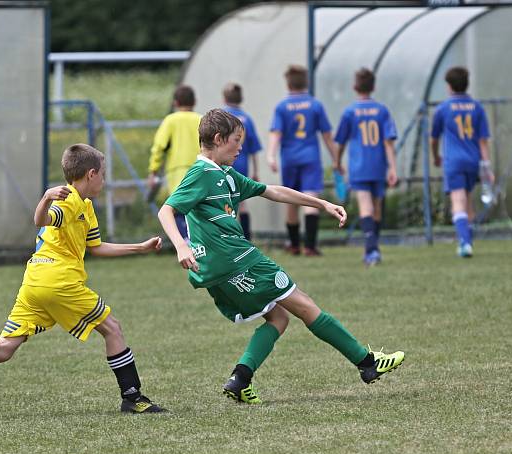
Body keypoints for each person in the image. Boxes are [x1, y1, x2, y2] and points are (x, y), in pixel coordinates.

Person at [158, 109, 404, 404]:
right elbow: (167, 210)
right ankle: (367, 363)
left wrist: (321, 203)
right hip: (237, 258)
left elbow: (271, 191)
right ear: (218, 139)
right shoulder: (201, 174)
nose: (240, 148)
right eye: (236, 141)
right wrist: (181, 245)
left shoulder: (224, 174)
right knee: (304, 304)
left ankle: (240, 379)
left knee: (278, 317)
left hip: (214, 268)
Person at [0, 144, 166, 413]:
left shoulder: (85, 206)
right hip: (58, 282)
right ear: (91, 174)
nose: (105, 181)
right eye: (103, 175)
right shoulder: (68, 199)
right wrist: (46, 198)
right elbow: (41, 219)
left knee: (1, 352)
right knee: (112, 329)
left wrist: (139, 247)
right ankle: (133, 398)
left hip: (34, 282)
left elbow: (95, 247)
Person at [267, 65, 339, 256]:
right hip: (310, 158)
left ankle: (294, 244)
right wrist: (336, 159)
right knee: (312, 198)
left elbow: (276, 133)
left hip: (289, 159)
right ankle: (310, 246)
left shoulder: (282, 107)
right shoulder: (315, 105)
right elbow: (327, 135)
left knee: (290, 200)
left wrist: (271, 155)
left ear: (288, 83)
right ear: (305, 82)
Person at [333, 67, 398, 266]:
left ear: (355, 87)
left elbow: (341, 141)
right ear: (373, 87)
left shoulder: (350, 112)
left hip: (359, 167)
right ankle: (373, 248)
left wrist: (337, 162)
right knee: (376, 209)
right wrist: (393, 168)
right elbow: (388, 142)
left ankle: (371, 250)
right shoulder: (382, 110)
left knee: (365, 207)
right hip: (378, 166)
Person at [430, 66, 495, 258]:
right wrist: (487, 167)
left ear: (449, 86)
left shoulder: (443, 109)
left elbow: (434, 139)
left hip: (454, 162)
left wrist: (435, 156)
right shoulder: (477, 107)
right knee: (468, 203)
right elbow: (483, 141)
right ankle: (467, 240)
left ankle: (465, 243)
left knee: (458, 201)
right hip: (473, 161)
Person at [147, 84, 201, 239]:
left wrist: (153, 171)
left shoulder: (170, 121)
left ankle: (185, 240)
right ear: (195, 101)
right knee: (197, 208)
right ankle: (199, 242)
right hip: (199, 170)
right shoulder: (201, 119)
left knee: (176, 206)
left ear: (175, 103)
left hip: (177, 171)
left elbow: (159, 147)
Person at [222, 82, 262, 240]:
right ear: (241, 99)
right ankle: (246, 238)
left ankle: (227, 237)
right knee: (242, 202)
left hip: (223, 163)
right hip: (242, 164)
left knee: (223, 200)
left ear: (224, 98)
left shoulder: (221, 117)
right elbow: (253, 148)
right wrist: (256, 171)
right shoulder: (247, 119)